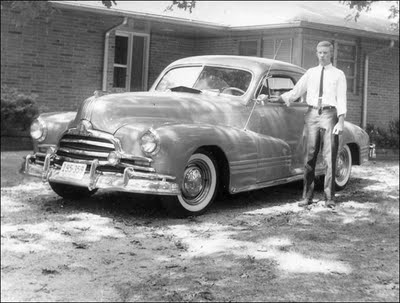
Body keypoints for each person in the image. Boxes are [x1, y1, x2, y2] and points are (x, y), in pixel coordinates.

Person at [270, 41, 347, 209]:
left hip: (330, 114)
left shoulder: (338, 74)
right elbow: (296, 91)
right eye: (320, 52)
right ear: (316, 53)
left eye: (325, 53)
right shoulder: (310, 73)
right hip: (312, 114)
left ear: (331, 54)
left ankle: (329, 198)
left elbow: (341, 98)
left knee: (329, 157)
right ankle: (307, 196)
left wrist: (340, 121)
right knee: (309, 157)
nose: (322, 55)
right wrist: (279, 98)